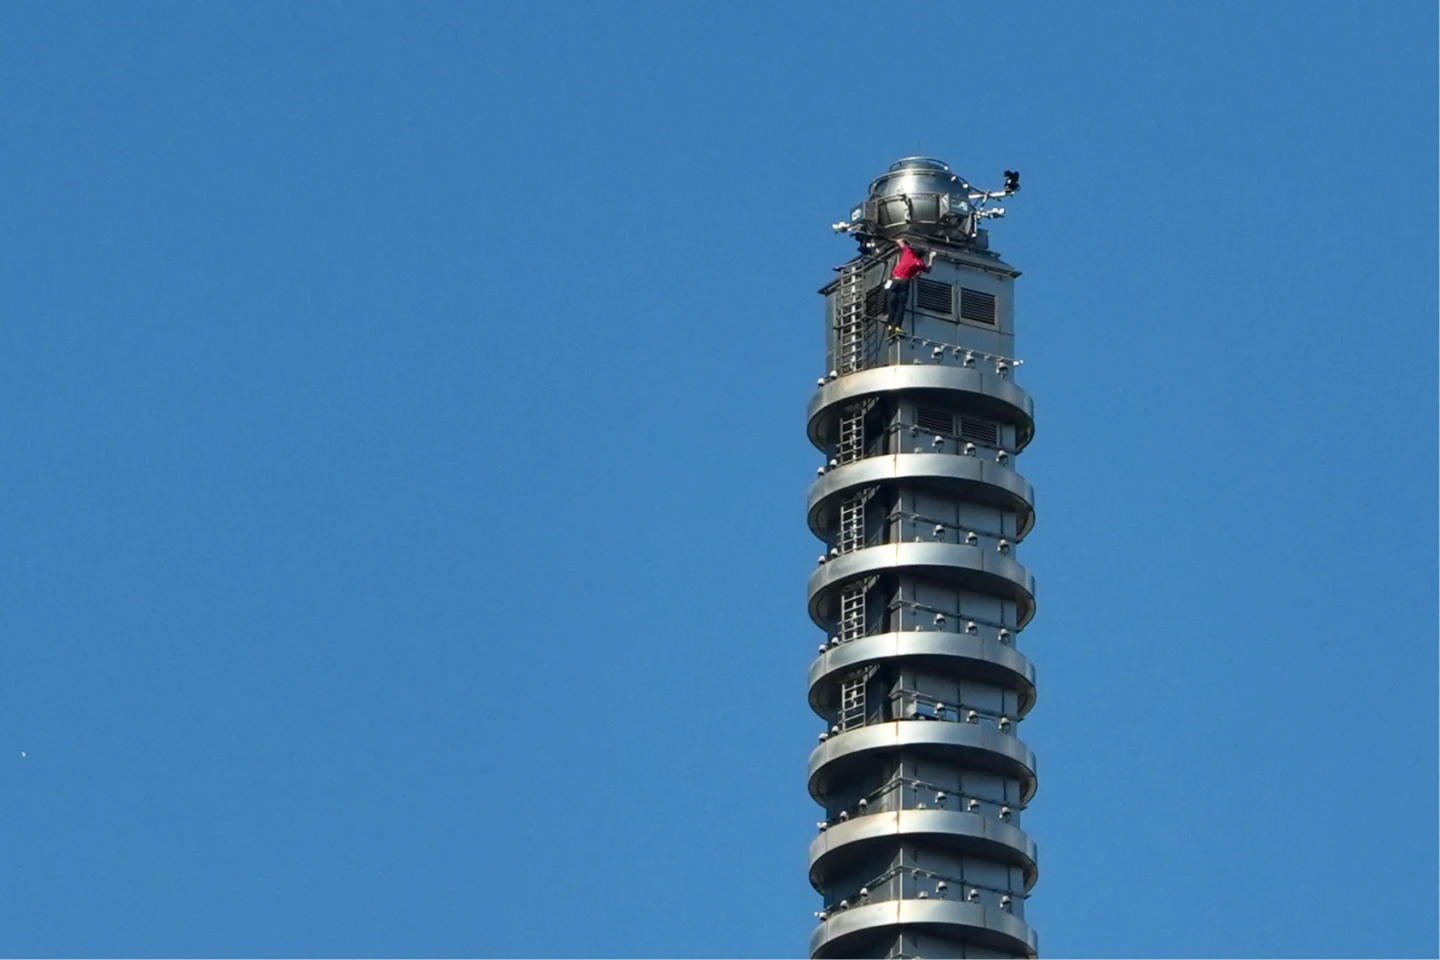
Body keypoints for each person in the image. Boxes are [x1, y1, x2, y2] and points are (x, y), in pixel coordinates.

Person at [883, 239, 935, 334]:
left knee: (891, 301)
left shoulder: (908, 252)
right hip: (905, 282)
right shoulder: (919, 263)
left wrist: (906, 241)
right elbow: (928, 270)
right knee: (901, 304)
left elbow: (899, 240)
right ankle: (897, 325)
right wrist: (931, 258)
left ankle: (890, 324)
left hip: (896, 280)